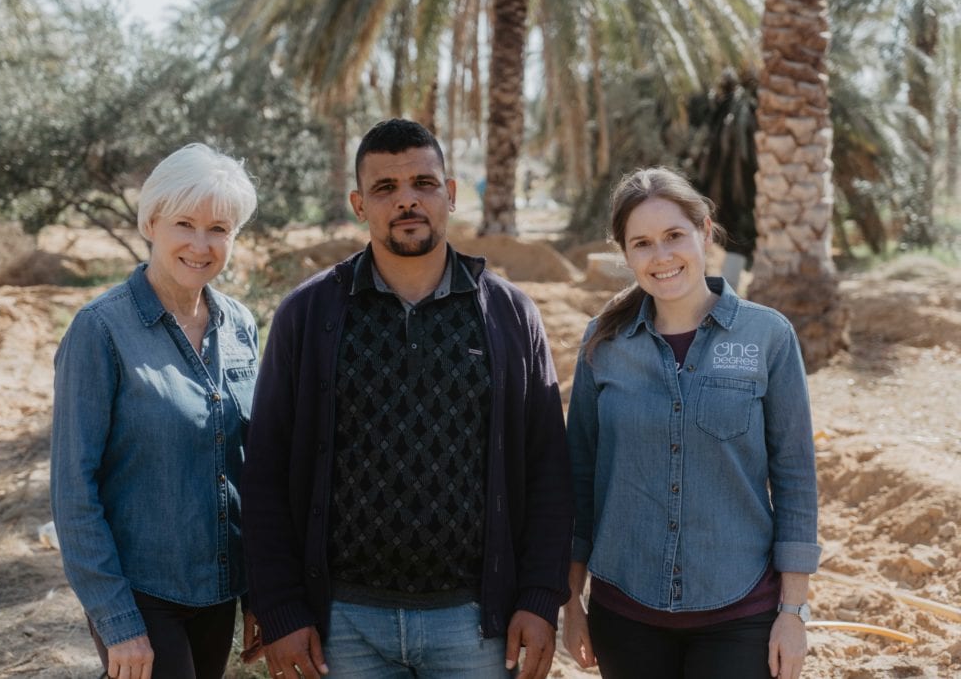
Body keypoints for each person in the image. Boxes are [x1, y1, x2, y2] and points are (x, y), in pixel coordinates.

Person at [241, 118, 573, 679]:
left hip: (477, 625)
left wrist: (540, 596)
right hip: (341, 626)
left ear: (450, 193)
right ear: (358, 204)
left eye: (423, 183)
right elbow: (267, 468)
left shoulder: (511, 316)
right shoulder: (308, 315)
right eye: (385, 189)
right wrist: (278, 606)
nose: (407, 201)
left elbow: (547, 468)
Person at [562, 167, 820, 679]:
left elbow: (795, 477)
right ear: (626, 253)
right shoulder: (603, 344)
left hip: (741, 612)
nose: (661, 257)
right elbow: (579, 479)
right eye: (642, 243)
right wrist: (571, 602)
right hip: (625, 611)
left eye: (674, 235)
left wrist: (793, 613)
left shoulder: (767, 336)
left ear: (704, 231)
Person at [51, 143, 260, 679]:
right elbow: (73, 490)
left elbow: (252, 469)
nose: (200, 243)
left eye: (219, 228)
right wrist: (117, 621)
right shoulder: (99, 330)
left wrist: (262, 591)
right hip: (141, 592)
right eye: (184, 223)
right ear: (151, 222)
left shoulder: (240, 326)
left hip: (219, 590)